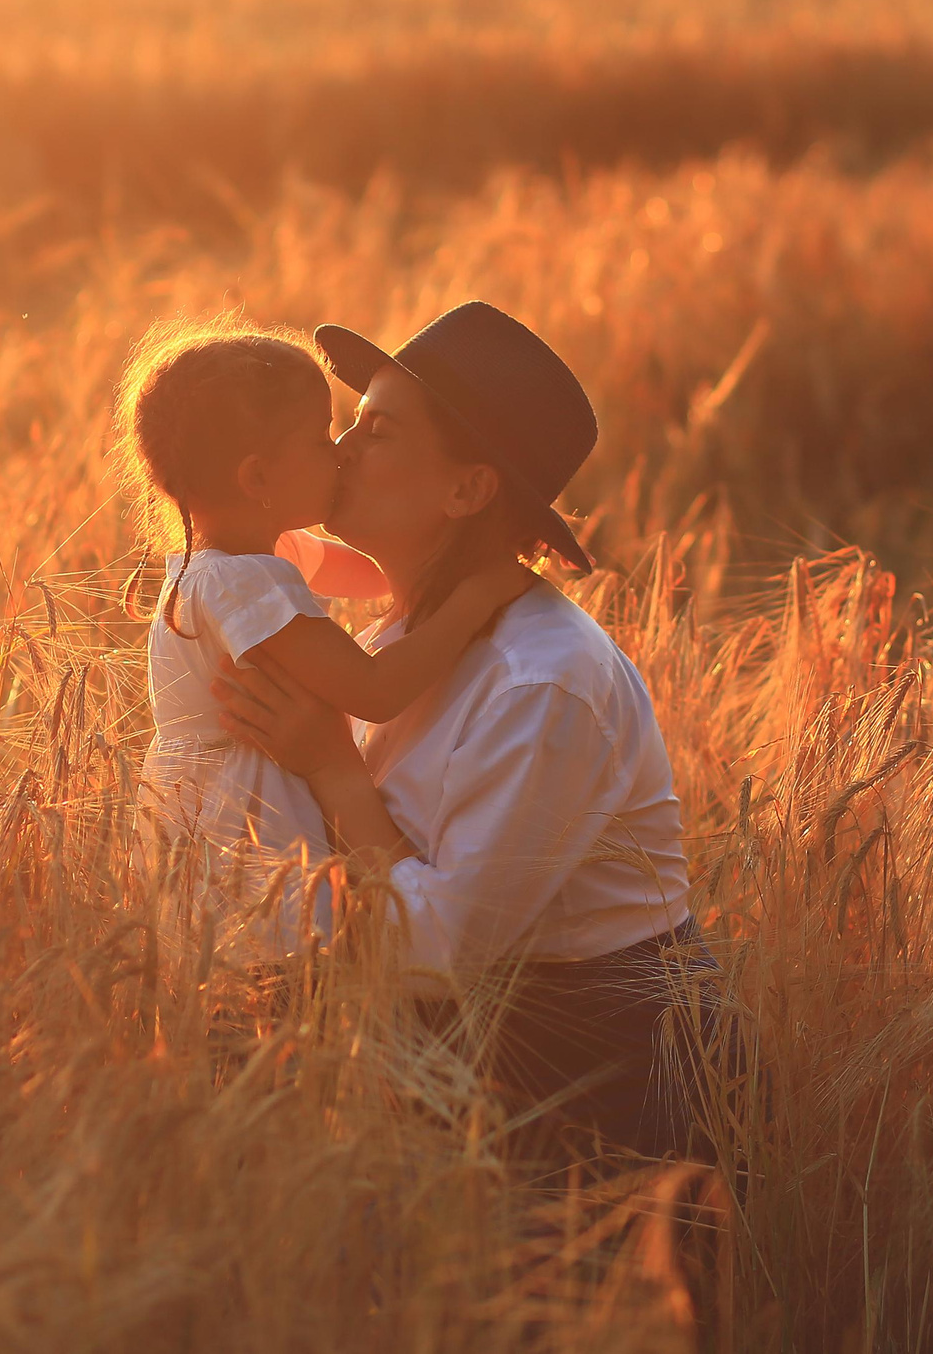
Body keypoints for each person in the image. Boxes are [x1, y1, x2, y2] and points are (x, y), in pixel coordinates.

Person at [212, 301, 724, 1162]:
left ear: (467, 488)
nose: (340, 448)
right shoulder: (389, 645)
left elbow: (442, 954)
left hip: (605, 1098)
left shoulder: (544, 682)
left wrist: (331, 768)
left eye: (377, 431)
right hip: (476, 1072)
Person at [114, 318, 534, 923]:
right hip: (246, 838)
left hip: (202, 820)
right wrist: (477, 595)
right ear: (258, 477)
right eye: (321, 437)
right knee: (283, 991)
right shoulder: (244, 583)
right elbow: (374, 690)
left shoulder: (245, 558)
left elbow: (382, 576)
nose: (338, 453)